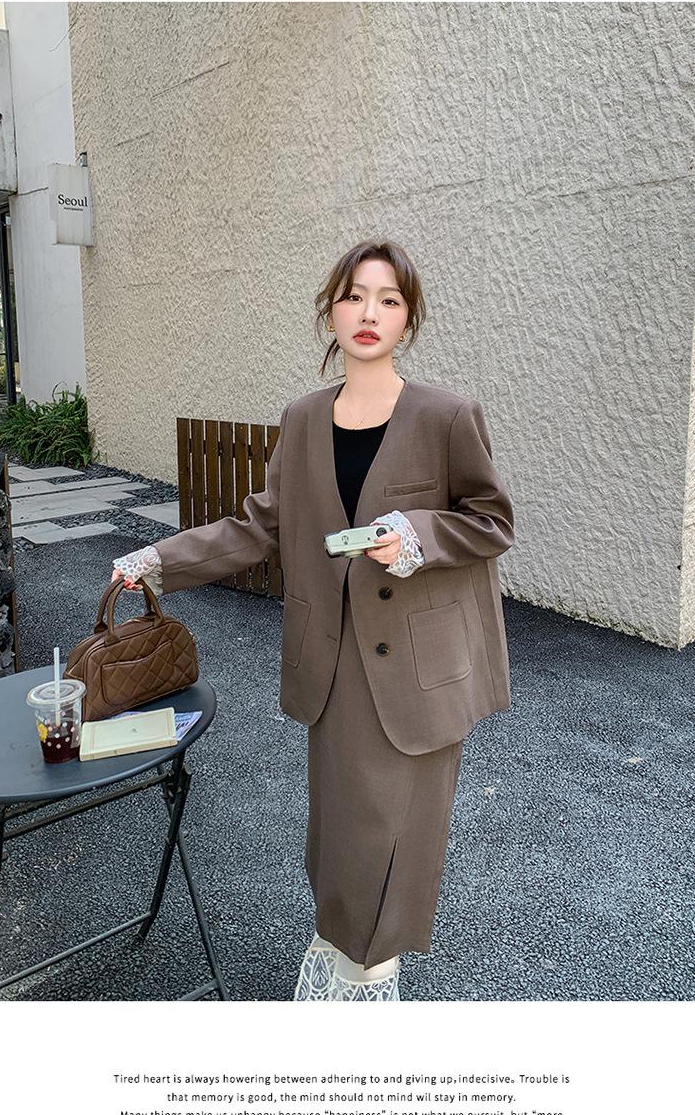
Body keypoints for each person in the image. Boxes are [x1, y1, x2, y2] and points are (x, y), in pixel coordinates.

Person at [112, 238, 515, 1001]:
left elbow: (491, 519)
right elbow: (258, 526)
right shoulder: (302, 420)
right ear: (331, 309)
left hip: (420, 669)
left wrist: (419, 536)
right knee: (340, 835)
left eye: (389, 299)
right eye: (354, 295)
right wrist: (157, 560)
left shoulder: (446, 415)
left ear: (408, 318)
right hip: (333, 661)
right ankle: (345, 967)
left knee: (395, 839)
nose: (369, 312)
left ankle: (365, 983)